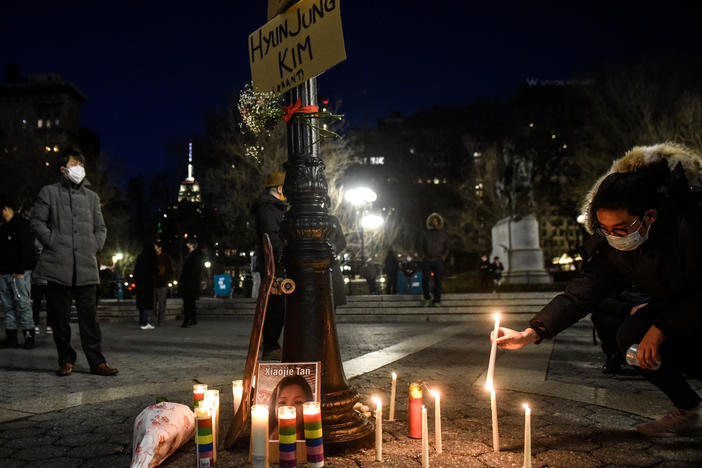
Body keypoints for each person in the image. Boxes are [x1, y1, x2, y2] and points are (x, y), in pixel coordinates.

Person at [494, 143, 702, 437]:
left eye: (621, 229)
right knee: (630, 336)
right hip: (674, 310)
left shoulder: (690, 228)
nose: (613, 237)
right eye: (603, 229)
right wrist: (532, 333)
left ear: (650, 217)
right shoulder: (614, 249)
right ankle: (688, 409)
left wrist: (662, 327)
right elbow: (581, 293)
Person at [30, 148, 118, 376]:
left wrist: (94, 245)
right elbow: (37, 222)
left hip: (86, 268)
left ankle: (97, 362)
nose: (79, 167)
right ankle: (65, 360)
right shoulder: (49, 193)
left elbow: (101, 228)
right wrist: (53, 242)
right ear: (63, 169)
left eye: (82, 163)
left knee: (89, 320)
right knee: (59, 319)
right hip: (57, 266)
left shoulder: (92, 197)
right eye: (74, 163)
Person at [253, 171, 287, 360]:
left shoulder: (274, 207)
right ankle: (271, 345)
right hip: (273, 264)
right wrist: (282, 256)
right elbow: (271, 237)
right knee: (275, 306)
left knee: (279, 306)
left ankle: (272, 344)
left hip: (277, 262)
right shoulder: (267, 209)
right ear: (280, 189)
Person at [0, 196, 35, 349]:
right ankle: (11, 337)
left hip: (18, 273)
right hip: (4, 273)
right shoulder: (3, 227)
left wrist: (21, 270)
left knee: (23, 304)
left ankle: (28, 337)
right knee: (8, 305)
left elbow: (27, 248)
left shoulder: (21, 224)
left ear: (4, 209)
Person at [268, 375, 315, 440]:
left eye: (298, 402)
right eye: (282, 402)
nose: (289, 409)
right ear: (274, 406)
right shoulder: (265, 436)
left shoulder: (313, 440)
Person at [418, 212, 449, 307]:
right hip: (427, 259)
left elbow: (447, 247)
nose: (434, 222)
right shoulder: (424, 233)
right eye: (433, 221)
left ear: (439, 222)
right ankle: (427, 297)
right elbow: (419, 245)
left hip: (438, 259)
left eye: (436, 221)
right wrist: (423, 256)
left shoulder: (443, 234)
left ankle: (437, 300)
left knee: (438, 281)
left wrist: (443, 257)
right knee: (425, 279)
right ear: (430, 222)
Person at [179, 238, 202, 328]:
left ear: (192, 245)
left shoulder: (195, 255)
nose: (187, 245)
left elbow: (195, 269)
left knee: (188, 302)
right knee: (190, 302)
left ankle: (187, 320)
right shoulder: (191, 255)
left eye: (188, 244)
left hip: (190, 282)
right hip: (190, 282)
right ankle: (192, 319)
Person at [134, 241, 157, 330]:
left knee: (142, 304)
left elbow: (136, 271)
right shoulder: (152, 255)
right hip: (148, 283)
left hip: (140, 284)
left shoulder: (141, 256)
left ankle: (142, 322)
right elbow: (154, 269)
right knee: (147, 303)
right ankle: (144, 323)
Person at [31, 239, 51, 336]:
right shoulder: (35, 240)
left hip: (48, 280)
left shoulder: (49, 238)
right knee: (36, 305)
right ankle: (35, 324)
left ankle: (50, 325)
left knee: (50, 305)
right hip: (36, 280)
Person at [154, 240, 175, 326]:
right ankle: (153, 320)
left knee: (162, 304)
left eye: (155, 247)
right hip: (153, 284)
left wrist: (167, 279)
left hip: (162, 284)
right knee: (153, 305)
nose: (154, 249)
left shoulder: (165, 257)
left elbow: (170, 270)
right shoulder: (152, 257)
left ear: (160, 248)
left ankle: (161, 321)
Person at [329, 214, 347, 306]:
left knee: (333, 297)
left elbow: (342, 241)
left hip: (330, 261)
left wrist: (334, 248)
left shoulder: (333, 220)